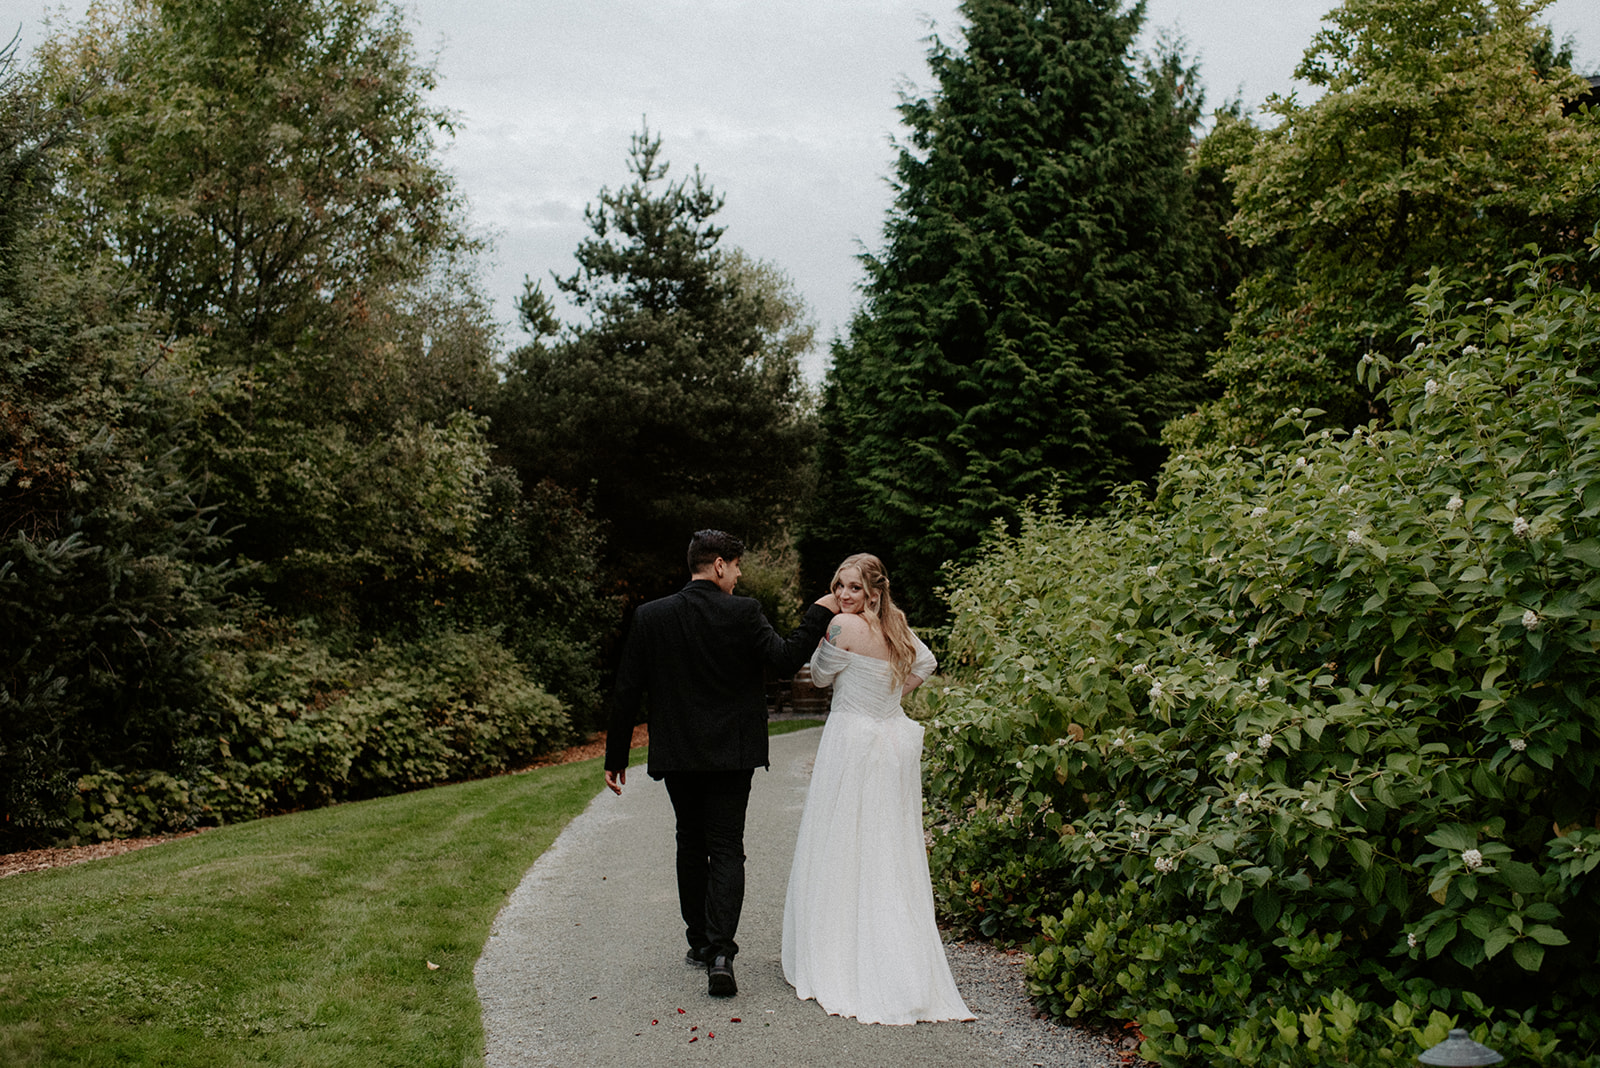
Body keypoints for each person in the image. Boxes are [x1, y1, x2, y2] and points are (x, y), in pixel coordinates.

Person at [605, 529, 837, 998]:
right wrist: (820, 611)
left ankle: (699, 943)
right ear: (718, 566)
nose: (739, 575)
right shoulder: (744, 612)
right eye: (735, 566)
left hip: (678, 754)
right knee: (727, 846)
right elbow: (784, 658)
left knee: (690, 842)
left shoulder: (651, 615)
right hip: (733, 754)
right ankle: (720, 954)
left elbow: (627, 688)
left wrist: (616, 756)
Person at [781, 553, 973, 1025]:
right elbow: (925, 662)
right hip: (889, 737)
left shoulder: (841, 627)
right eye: (839, 586)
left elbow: (820, 677)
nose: (843, 595)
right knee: (887, 846)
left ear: (873, 591)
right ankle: (896, 955)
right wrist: (890, 694)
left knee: (842, 840)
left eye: (853, 587)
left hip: (851, 737)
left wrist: (826, 627)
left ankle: (840, 951)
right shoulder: (898, 628)